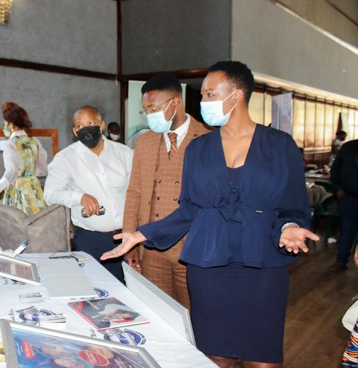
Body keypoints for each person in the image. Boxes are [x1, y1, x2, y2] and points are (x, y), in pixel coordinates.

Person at [101, 61, 319, 368]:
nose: (203, 102)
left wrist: (289, 226)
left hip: (262, 265)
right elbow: (190, 208)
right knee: (214, 358)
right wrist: (141, 234)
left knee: (263, 360)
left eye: (209, 94)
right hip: (209, 265)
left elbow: (293, 206)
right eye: (202, 95)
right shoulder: (199, 148)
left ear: (237, 94)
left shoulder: (279, 146)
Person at [123, 73, 211, 309]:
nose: (149, 115)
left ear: (175, 102)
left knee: (195, 314)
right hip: (151, 249)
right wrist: (130, 239)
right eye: (146, 110)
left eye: (153, 108)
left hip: (192, 250)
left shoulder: (207, 139)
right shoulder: (145, 142)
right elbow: (135, 192)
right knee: (159, 311)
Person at [44, 106, 133, 282]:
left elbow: (138, 190)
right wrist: (79, 197)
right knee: (95, 290)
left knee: (130, 291)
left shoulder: (124, 153)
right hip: (91, 240)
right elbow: (50, 194)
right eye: (79, 125)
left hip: (127, 237)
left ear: (101, 125)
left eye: (90, 123)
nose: (85, 128)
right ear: (74, 131)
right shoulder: (65, 158)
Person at [0, 102, 48, 215]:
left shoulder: (10, 144)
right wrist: (28, 174)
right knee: (37, 220)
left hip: (17, 190)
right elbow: (43, 170)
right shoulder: (35, 142)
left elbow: (12, 171)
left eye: (4, 124)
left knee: (16, 223)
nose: (4, 128)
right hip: (34, 189)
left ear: (10, 125)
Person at [329, 137, 358, 272]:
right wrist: (337, 188)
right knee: (346, 231)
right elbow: (335, 169)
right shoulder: (348, 147)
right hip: (349, 197)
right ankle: (341, 261)